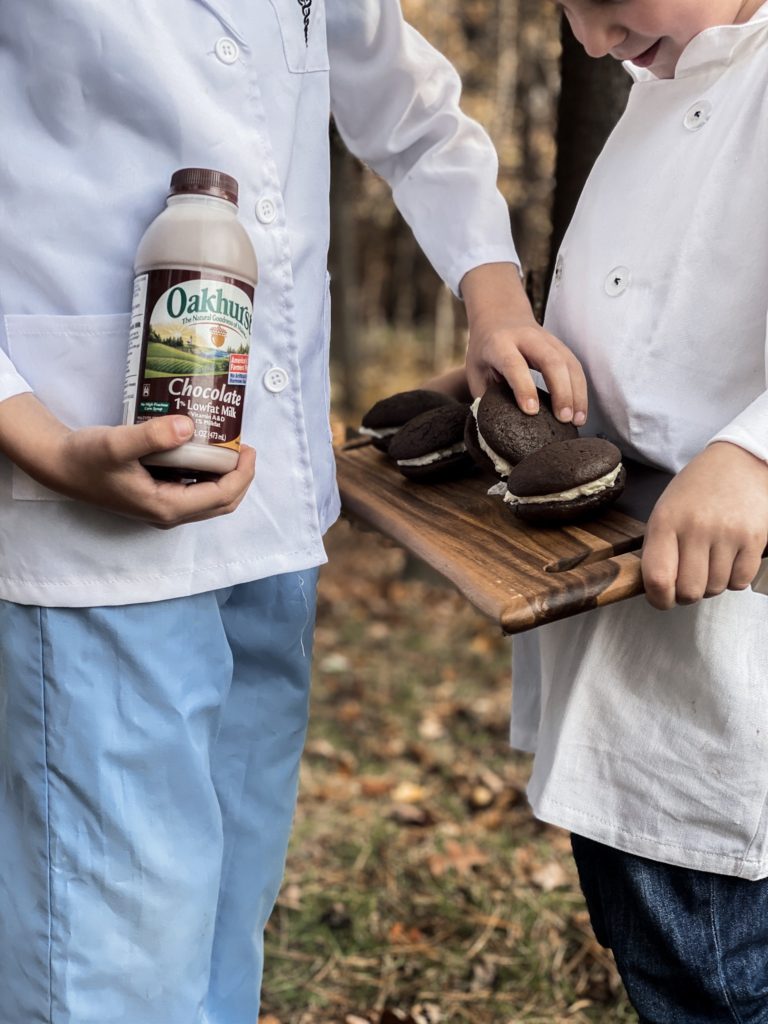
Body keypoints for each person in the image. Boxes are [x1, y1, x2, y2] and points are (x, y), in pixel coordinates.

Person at [0, 3, 586, 1022]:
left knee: (225, 938)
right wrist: (38, 437)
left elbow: (412, 108)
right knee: (108, 971)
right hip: (85, 521)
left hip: (272, 520)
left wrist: (495, 299)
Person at [511, 1, 768, 1019]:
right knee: (661, 966)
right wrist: (522, 380)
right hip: (621, 677)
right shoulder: (662, 80)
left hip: (730, 701)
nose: (590, 40)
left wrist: (755, 450)